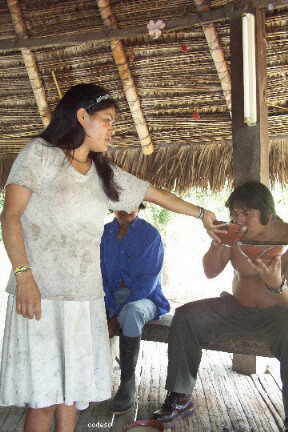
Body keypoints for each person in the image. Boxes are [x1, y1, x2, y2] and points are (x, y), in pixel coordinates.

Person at [0, 83, 220, 432]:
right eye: (107, 120)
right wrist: (24, 276)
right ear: (82, 117)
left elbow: (152, 192)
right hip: (40, 295)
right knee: (42, 400)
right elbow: (10, 216)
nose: (112, 128)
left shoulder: (102, 173)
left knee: (72, 396)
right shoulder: (40, 154)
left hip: (84, 298)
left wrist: (201, 213)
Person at [153, 182, 288, 431]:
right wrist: (221, 245)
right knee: (186, 316)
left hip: (278, 315)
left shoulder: (284, 237)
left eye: (246, 213)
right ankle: (180, 396)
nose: (238, 219)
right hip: (235, 308)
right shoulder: (232, 232)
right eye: (234, 213)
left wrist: (276, 285)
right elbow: (210, 272)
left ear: (267, 213)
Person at [100, 203, 170, 414]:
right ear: (112, 206)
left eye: (132, 204)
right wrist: (105, 308)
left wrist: (114, 316)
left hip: (144, 298)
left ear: (140, 205)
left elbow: (147, 283)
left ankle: (127, 382)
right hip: (110, 297)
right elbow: (96, 272)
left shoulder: (150, 235)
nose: (126, 208)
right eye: (120, 203)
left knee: (130, 313)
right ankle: (84, 379)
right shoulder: (104, 233)